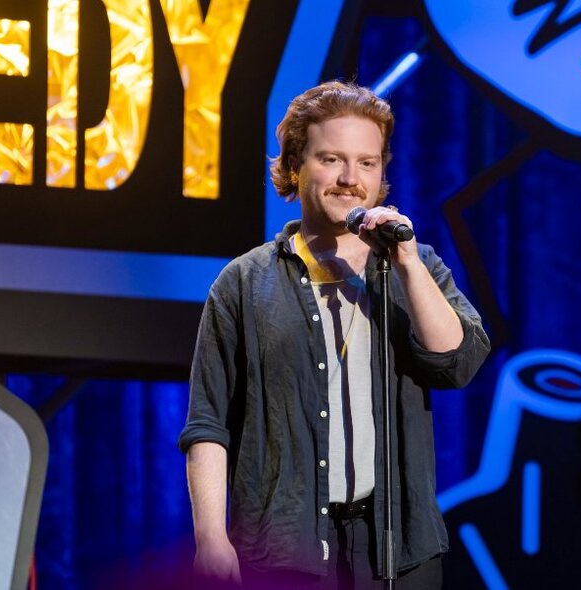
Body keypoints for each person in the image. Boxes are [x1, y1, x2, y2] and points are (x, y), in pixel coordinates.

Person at [178, 80, 490, 589]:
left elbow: (457, 361)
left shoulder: (414, 267)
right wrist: (210, 536)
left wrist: (406, 261)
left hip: (398, 549)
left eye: (367, 163)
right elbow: (208, 424)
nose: (350, 178)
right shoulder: (244, 282)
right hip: (286, 550)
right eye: (331, 160)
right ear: (296, 164)